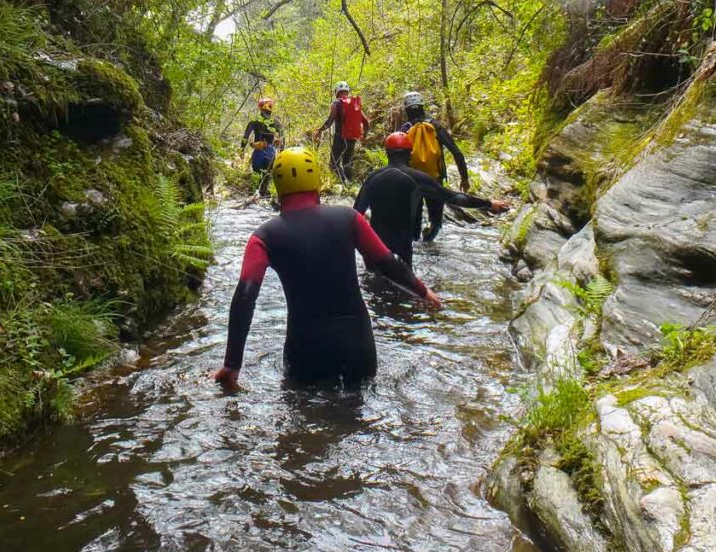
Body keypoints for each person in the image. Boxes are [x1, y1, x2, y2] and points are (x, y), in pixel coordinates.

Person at [212, 147, 442, 389]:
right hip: (358, 345)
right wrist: (423, 292)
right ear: (316, 181)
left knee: (303, 413)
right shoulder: (349, 218)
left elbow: (245, 296)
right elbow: (387, 263)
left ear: (278, 186)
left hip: (306, 349)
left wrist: (232, 364)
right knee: (362, 411)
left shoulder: (263, 237)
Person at [354, 132, 509, 266]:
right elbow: (454, 197)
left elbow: (355, 213)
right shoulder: (418, 179)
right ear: (410, 153)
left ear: (387, 153)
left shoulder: (373, 178)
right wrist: (488, 204)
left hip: (374, 250)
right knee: (401, 289)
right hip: (402, 250)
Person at [399, 90, 473, 241]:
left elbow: (395, 158)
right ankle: (428, 244)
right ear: (422, 106)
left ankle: (415, 251)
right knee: (436, 222)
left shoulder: (404, 129)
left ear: (406, 109)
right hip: (434, 180)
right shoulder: (436, 126)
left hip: (411, 181)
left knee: (413, 221)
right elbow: (456, 152)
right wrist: (464, 179)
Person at [314, 81, 369, 184]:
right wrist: (364, 136)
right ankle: (350, 184)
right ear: (347, 92)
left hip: (340, 138)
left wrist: (320, 130)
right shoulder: (355, 104)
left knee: (333, 164)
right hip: (352, 139)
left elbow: (330, 121)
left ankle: (343, 183)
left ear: (336, 92)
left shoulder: (336, 104)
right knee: (347, 163)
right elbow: (366, 122)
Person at [241, 97, 283, 196]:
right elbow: (282, 137)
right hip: (270, 152)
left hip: (258, 150)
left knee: (256, 176)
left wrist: (242, 149)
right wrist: (282, 151)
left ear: (260, 107)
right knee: (266, 176)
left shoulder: (254, 121)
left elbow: (245, 136)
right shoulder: (275, 122)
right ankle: (263, 195)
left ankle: (254, 195)